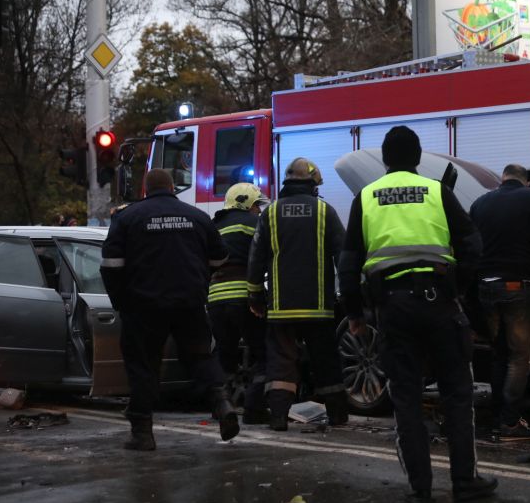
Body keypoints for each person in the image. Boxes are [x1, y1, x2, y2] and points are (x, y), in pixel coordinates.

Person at [338, 126, 497, 503]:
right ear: (418, 156)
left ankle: (420, 487)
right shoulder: (437, 191)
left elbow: (348, 261)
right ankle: (464, 481)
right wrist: (458, 288)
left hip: (393, 308)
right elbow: (472, 244)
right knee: (457, 394)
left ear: (386, 161)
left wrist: (355, 313)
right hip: (440, 302)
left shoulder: (367, 197)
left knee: (406, 397)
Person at [100, 168, 239, 451]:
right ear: (173, 187)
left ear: (145, 189)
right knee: (201, 355)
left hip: (144, 306)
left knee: (143, 364)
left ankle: (142, 433)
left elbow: (111, 266)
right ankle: (223, 404)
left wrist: (122, 301)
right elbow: (221, 257)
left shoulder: (127, 218)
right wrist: (199, 280)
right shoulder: (197, 216)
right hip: (189, 302)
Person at [246, 158, 348, 431]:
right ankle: (338, 415)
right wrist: (350, 296)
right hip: (319, 308)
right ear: (312, 184)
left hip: (281, 308)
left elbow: (256, 259)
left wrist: (255, 297)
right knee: (325, 360)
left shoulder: (270, 213)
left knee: (281, 363)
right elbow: (343, 255)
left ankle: (278, 417)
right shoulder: (325, 211)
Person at [469, 163, 530, 441]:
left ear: (502, 179)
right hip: (517, 286)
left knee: (499, 354)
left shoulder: (480, 203)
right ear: (526, 182)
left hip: (486, 288)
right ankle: (509, 423)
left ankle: (499, 417)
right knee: (520, 358)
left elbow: (470, 247)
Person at [209, 182, 269, 425]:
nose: (258, 210)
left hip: (215, 300)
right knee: (263, 354)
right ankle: (254, 410)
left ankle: (222, 409)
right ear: (245, 203)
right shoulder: (253, 223)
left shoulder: (213, 227)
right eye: (256, 205)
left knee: (225, 357)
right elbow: (265, 254)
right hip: (243, 297)